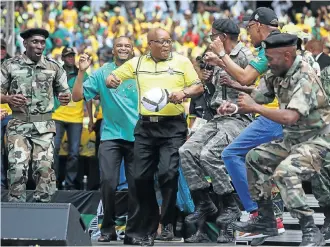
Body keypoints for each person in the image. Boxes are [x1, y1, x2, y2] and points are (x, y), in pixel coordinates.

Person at [224, 32, 329, 246]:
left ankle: (310, 230)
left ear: (288, 56)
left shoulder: (305, 76)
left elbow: (290, 117)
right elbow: (259, 97)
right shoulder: (276, 70)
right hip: (294, 140)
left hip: (319, 141)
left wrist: (255, 108)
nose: (267, 63)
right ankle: (266, 220)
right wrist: (235, 107)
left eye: (270, 58)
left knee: (285, 171)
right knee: (254, 157)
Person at [106, 28, 204, 246]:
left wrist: (184, 93)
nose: (167, 45)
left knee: (168, 173)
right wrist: (111, 79)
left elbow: (199, 86)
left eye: (169, 41)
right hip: (146, 128)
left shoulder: (182, 62)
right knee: (140, 178)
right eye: (161, 42)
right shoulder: (138, 63)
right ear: (150, 44)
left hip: (173, 128)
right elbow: (114, 76)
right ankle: (149, 227)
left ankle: (167, 221)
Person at [204, 8, 285, 241]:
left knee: (231, 155)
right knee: (254, 160)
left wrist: (221, 55)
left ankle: (257, 213)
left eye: (248, 29)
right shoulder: (280, 44)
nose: (247, 35)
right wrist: (238, 105)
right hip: (279, 114)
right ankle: (271, 219)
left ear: (257, 25)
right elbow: (262, 90)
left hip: (275, 117)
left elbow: (246, 77)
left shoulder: (269, 46)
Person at [179, 19, 254, 243]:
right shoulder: (211, 56)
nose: (210, 40)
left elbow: (258, 89)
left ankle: (231, 207)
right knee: (186, 151)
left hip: (238, 117)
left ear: (222, 37)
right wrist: (208, 78)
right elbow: (210, 91)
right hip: (215, 116)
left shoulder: (246, 56)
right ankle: (204, 203)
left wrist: (225, 67)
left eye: (213, 36)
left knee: (209, 154)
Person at [72, 36, 141, 245]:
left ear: (132, 50)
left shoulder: (140, 71)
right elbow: (76, 96)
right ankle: (108, 228)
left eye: (127, 46)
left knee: (137, 185)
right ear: (113, 50)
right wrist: (82, 71)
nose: (123, 48)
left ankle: (133, 232)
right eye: (119, 45)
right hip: (111, 136)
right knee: (109, 182)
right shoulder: (103, 72)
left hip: (138, 136)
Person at [0, 28, 71, 202]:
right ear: (25, 43)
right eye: (35, 42)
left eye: (42, 42)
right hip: (18, 124)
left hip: (44, 127)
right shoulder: (10, 65)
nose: (39, 46)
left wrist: (65, 97)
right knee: (17, 169)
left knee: (45, 169)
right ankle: (16, 212)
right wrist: (8, 98)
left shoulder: (54, 67)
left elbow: (66, 93)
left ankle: (43, 212)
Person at [52, 47, 88, 190]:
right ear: (62, 58)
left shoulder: (82, 73)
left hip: (76, 118)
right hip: (57, 115)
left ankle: (70, 184)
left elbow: (89, 95)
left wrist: (90, 117)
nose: (71, 58)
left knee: (74, 153)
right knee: (53, 149)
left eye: (72, 56)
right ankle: (52, 182)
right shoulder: (56, 72)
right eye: (67, 56)